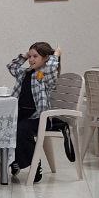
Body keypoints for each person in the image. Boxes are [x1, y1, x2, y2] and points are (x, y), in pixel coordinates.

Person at [8, 42, 60, 183]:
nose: (31, 59)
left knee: (21, 130)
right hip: (22, 114)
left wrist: (55, 55)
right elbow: (12, 67)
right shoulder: (25, 73)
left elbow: (51, 68)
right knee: (6, 128)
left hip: (39, 118)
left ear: (45, 58)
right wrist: (24, 56)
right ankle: (15, 160)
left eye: (35, 56)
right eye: (30, 56)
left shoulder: (45, 75)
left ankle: (35, 163)